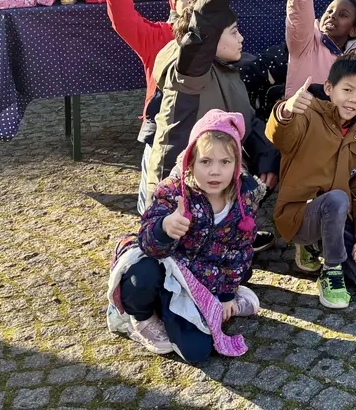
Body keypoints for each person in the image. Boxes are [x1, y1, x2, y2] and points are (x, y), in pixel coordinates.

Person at [105, 0, 272, 213]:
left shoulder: (228, 64)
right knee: (155, 204)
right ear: (174, 2)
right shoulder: (161, 38)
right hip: (167, 129)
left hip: (205, 146)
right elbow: (125, 19)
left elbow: (246, 119)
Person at [106, 109, 262, 362]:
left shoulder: (241, 200)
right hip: (164, 267)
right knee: (142, 273)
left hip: (198, 280)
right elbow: (148, 242)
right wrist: (165, 228)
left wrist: (225, 295)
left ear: (236, 165)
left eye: (225, 162)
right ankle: (139, 317)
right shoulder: (172, 191)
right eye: (206, 161)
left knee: (196, 351)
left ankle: (213, 304)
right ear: (190, 161)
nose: (215, 172)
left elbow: (240, 252)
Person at [266, 57, 356, 307]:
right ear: (330, 88)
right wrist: (286, 110)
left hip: (338, 218)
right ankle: (330, 270)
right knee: (337, 198)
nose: (354, 99)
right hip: (298, 214)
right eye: (347, 90)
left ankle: (319, 246)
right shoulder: (308, 113)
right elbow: (280, 136)